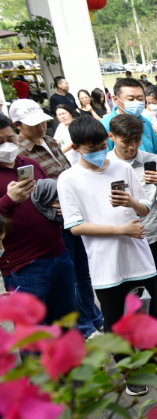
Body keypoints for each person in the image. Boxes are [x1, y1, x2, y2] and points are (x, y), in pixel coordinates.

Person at [58, 116, 157, 396]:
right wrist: (120, 230)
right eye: (91, 149)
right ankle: (131, 376)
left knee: (150, 316)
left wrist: (131, 202)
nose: (99, 152)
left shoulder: (122, 167)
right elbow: (76, 227)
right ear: (77, 148)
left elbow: (144, 210)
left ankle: (155, 366)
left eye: (102, 145)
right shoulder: (68, 179)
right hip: (106, 266)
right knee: (116, 326)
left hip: (139, 259)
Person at [11, 99, 104, 339]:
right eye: (33, 124)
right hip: (54, 223)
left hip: (74, 215)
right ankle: (83, 326)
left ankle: (93, 317)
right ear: (17, 125)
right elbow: (28, 195)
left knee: (83, 273)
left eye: (42, 121)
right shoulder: (18, 153)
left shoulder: (52, 141)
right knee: (70, 276)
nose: (40, 126)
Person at [0, 115, 76, 326]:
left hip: (58, 254)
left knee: (66, 322)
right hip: (23, 265)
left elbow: (47, 199)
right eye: (0, 142)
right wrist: (8, 201)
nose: (7, 145)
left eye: (11, 139)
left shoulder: (29, 163)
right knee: (33, 332)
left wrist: (59, 208)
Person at [107, 114, 157, 343]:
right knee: (128, 285)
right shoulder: (105, 165)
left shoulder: (153, 160)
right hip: (122, 236)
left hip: (153, 232)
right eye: (126, 141)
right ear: (112, 137)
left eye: (136, 140)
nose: (132, 146)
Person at [101, 78, 157, 156]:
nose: (136, 102)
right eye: (130, 99)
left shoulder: (146, 122)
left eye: (140, 99)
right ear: (116, 99)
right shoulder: (105, 125)